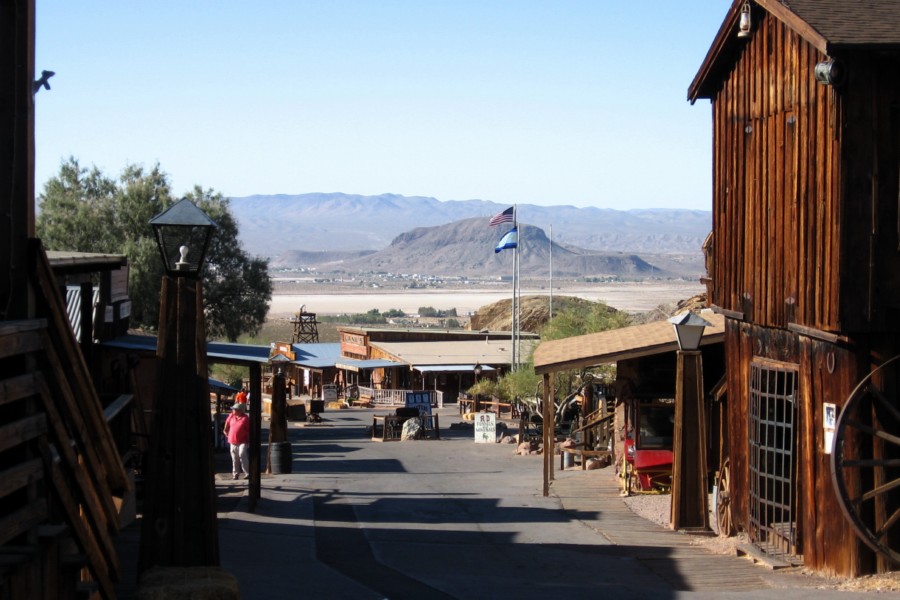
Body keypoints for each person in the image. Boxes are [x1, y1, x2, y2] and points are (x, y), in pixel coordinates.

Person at [223, 402, 250, 480]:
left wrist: (248, 440)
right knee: (234, 458)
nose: (233, 411)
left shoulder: (245, 418)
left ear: (239, 410)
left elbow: (248, 430)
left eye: (234, 409)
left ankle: (247, 473)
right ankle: (235, 474)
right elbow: (227, 422)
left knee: (242, 455)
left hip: (243, 441)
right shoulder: (231, 416)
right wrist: (225, 430)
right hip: (232, 440)